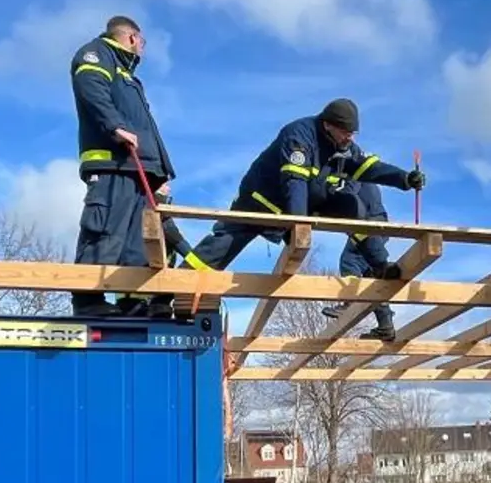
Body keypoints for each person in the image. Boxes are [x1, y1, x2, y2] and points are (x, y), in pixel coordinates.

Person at [180, 99, 424, 277]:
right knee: (224, 244)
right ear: (328, 125)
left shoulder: (342, 145)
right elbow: (294, 183)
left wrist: (404, 179)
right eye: (345, 132)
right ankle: (176, 283)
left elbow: (369, 167)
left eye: (353, 133)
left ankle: (380, 265)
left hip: (306, 203)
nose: (349, 138)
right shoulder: (299, 135)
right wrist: (299, 225)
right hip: (263, 202)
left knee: (352, 207)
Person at [68, 15, 176, 318]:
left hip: (137, 167)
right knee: (106, 228)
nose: (142, 48)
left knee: (137, 238)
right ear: (131, 38)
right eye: (142, 42)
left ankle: (132, 299)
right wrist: (114, 125)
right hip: (113, 163)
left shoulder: (128, 75)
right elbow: (90, 86)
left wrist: (159, 172)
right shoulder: (97, 54)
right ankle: (89, 298)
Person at [319, 179, 400, 340]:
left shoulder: (353, 174)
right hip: (375, 223)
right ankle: (386, 326)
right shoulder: (362, 174)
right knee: (370, 276)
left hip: (368, 225)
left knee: (349, 260)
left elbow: (348, 192)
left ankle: (349, 302)